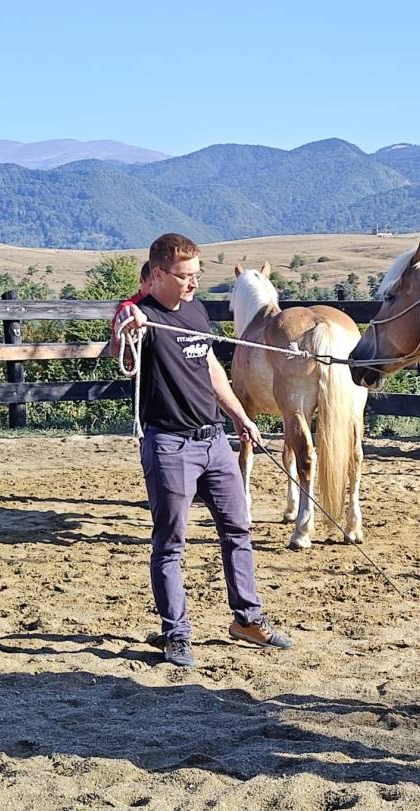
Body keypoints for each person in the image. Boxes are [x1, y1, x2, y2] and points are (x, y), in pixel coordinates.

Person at [115, 233, 292, 666]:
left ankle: (247, 619)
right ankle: (176, 634)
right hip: (169, 445)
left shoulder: (196, 311)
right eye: (185, 276)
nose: (194, 284)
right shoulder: (140, 314)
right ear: (158, 275)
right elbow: (124, 348)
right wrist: (128, 326)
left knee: (239, 530)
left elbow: (209, 364)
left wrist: (238, 415)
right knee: (171, 544)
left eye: (197, 275)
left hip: (213, 441)